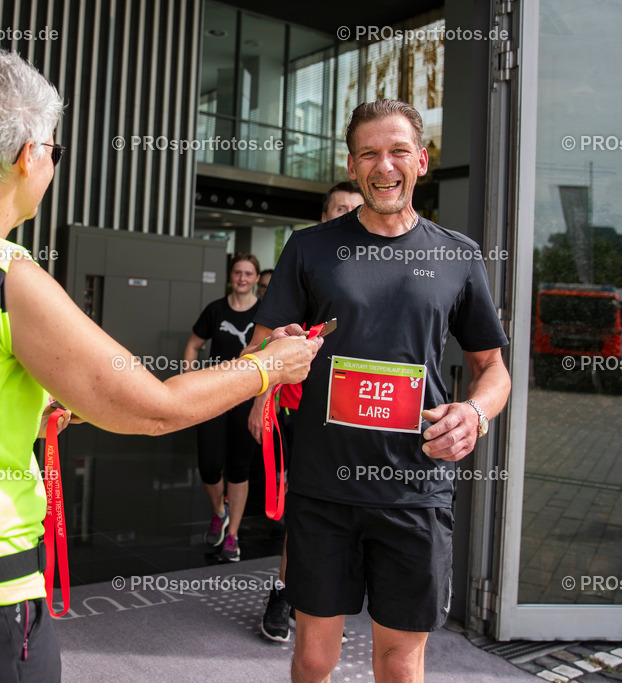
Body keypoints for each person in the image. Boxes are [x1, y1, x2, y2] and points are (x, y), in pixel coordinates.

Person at [0, 50, 320, 683]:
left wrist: (22, 406)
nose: (51, 167)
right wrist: (270, 364)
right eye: (55, 152)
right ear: (27, 156)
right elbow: (155, 409)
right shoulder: (2, 273)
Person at [250, 99, 510, 681]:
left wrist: (475, 412)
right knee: (314, 658)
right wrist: (270, 365)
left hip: (415, 491)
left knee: (399, 663)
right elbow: (256, 354)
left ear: (421, 161)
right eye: (369, 153)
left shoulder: (458, 255)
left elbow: (493, 368)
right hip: (323, 488)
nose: (384, 165)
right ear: (351, 164)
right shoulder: (309, 248)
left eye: (397, 152)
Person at [258, 179, 364, 642]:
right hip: (300, 413)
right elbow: (265, 344)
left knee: (349, 515)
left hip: (358, 419)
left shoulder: (377, 267)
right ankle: (285, 593)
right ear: (324, 216)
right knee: (301, 514)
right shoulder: (305, 262)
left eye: (353, 211)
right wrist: (260, 405)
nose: (344, 217)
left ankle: (323, 603)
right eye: (337, 209)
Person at [182, 253, 261, 562]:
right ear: (231, 276)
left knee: (239, 469)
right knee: (209, 465)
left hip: (247, 396)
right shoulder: (215, 310)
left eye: (248, 273)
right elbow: (192, 345)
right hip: (214, 394)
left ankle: (233, 536)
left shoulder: (265, 313)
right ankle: (219, 511)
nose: (242, 277)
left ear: (255, 278)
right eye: (238, 272)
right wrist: (188, 380)